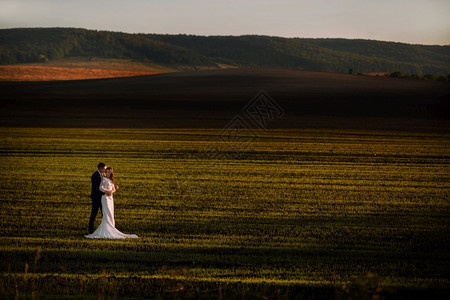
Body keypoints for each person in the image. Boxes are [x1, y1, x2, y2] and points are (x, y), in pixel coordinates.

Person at [85, 167, 138, 239]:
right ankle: (106, 229)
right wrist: (107, 192)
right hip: (105, 198)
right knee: (106, 213)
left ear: (111, 173)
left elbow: (113, 188)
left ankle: (111, 227)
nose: (107, 173)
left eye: (108, 172)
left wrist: (112, 192)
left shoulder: (111, 180)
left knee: (111, 213)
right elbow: (101, 188)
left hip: (110, 198)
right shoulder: (103, 179)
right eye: (106, 172)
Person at [88, 162, 107, 234]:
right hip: (96, 198)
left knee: (104, 213)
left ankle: (105, 228)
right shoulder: (95, 175)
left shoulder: (103, 174)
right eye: (105, 168)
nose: (105, 170)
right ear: (101, 168)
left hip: (102, 198)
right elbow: (96, 188)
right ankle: (90, 229)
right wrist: (105, 192)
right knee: (94, 214)